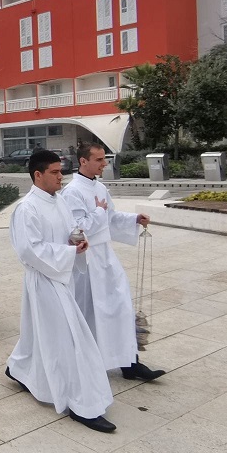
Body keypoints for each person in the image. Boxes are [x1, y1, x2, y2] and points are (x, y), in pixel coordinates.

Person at [6, 149, 115, 433]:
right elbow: (30, 251)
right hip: (44, 281)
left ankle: (18, 367)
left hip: (61, 277)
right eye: (54, 172)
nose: (60, 177)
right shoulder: (27, 208)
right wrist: (67, 252)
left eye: (60, 171)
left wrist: (77, 240)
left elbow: (71, 228)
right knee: (67, 340)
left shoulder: (59, 201)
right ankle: (79, 403)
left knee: (44, 336)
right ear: (38, 175)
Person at [61, 143, 165, 382]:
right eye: (98, 160)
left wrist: (134, 219)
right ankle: (88, 359)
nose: (104, 164)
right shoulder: (72, 191)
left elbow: (111, 218)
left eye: (103, 159)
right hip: (86, 262)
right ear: (83, 161)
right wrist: (98, 213)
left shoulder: (99, 187)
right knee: (92, 312)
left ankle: (129, 362)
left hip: (105, 257)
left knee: (120, 307)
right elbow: (76, 229)